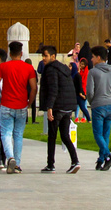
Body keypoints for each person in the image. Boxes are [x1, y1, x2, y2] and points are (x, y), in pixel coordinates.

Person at [0, 41, 39, 173]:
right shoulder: (28, 68)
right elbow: (34, 87)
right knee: (18, 135)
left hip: (7, 104)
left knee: (6, 134)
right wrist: (29, 102)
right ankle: (17, 164)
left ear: (9, 53)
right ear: (21, 53)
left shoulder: (3, 67)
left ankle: (10, 157)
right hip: (21, 105)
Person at [37, 43, 80, 173]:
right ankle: (75, 161)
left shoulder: (51, 69)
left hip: (57, 107)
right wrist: (71, 108)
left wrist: (49, 107)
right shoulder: (64, 69)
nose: (43, 58)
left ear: (53, 56)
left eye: (46, 56)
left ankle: (51, 164)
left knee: (52, 136)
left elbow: (53, 89)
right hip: (67, 107)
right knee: (65, 136)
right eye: (43, 56)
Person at [85, 45, 111, 171]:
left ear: (99, 57)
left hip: (98, 106)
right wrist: (110, 98)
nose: (91, 60)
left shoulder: (93, 72)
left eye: (93, 57)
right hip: (110, 105)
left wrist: (92, 101)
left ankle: (108, 156)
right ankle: (101, 160)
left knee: (97, 134)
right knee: (105, 134)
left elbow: (89, 92)